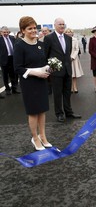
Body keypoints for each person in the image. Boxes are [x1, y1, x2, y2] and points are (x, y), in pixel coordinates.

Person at [13, 16, 52, 151]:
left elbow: (43, 62)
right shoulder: (19, 46)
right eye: (30, 28)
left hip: (41, 81)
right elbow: (17, 68)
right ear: (22, 30)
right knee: (33, 112)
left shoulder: (40, 44)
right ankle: (35, 137)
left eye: (35, 28)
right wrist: (36, 73)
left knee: (42, 110)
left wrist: (48, 68)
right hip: (29, 83)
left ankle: (43, 136)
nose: (33, 30)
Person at [44, 17, 81, 122]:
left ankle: (68, 112)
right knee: (57, 93)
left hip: (67, 70)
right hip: (56, 71)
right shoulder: (49, 38)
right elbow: (45, 55)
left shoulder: (68, 38)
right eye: (60, 24)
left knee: (67, 92)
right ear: (55, 25)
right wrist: (49, 67)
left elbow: (67, 54)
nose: (62, 26)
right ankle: (59, 113)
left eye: (63, 24)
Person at [0, 26, 20, 95]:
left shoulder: (12, 38)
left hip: (12, 59)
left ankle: (14, 89)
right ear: (1, 32)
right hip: (4, 60)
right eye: (4, 32)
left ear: (9, 32)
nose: (6, 33)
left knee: (13, 75)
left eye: (7, 32)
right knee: (5, 76)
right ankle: (7, 89)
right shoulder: (0, 39)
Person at [64, 28, 84, 93]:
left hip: (74, 59)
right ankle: (70, 88)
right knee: (68, 75)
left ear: (72, 33)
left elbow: (77, 49)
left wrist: (72, 57)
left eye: (70, 32)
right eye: (67, 32)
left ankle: (75, 87)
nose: (68, 33)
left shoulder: (75, 40)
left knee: (74, 75)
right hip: (66, 59)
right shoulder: (63, 40)